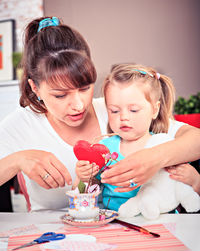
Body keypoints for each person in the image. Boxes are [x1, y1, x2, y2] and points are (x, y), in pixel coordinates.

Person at [0, 17, 200, 211]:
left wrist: (155, 158)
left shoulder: (115, 109)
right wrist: (17, 160)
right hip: (51, 234)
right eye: (60, 95)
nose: (78, 105)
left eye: (85, 88)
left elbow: (195, 139)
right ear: (35, 87)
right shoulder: (21, 124)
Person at [76, 64, 200, 211]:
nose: (123, 117)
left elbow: (183, 191)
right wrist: (83, 179)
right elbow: (84, 199)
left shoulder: (164, 145)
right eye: (114, 111)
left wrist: (195, 180)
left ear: (155, 110)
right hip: (117, 223)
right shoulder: (104, 149)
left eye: (134, 110)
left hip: (161, 220)